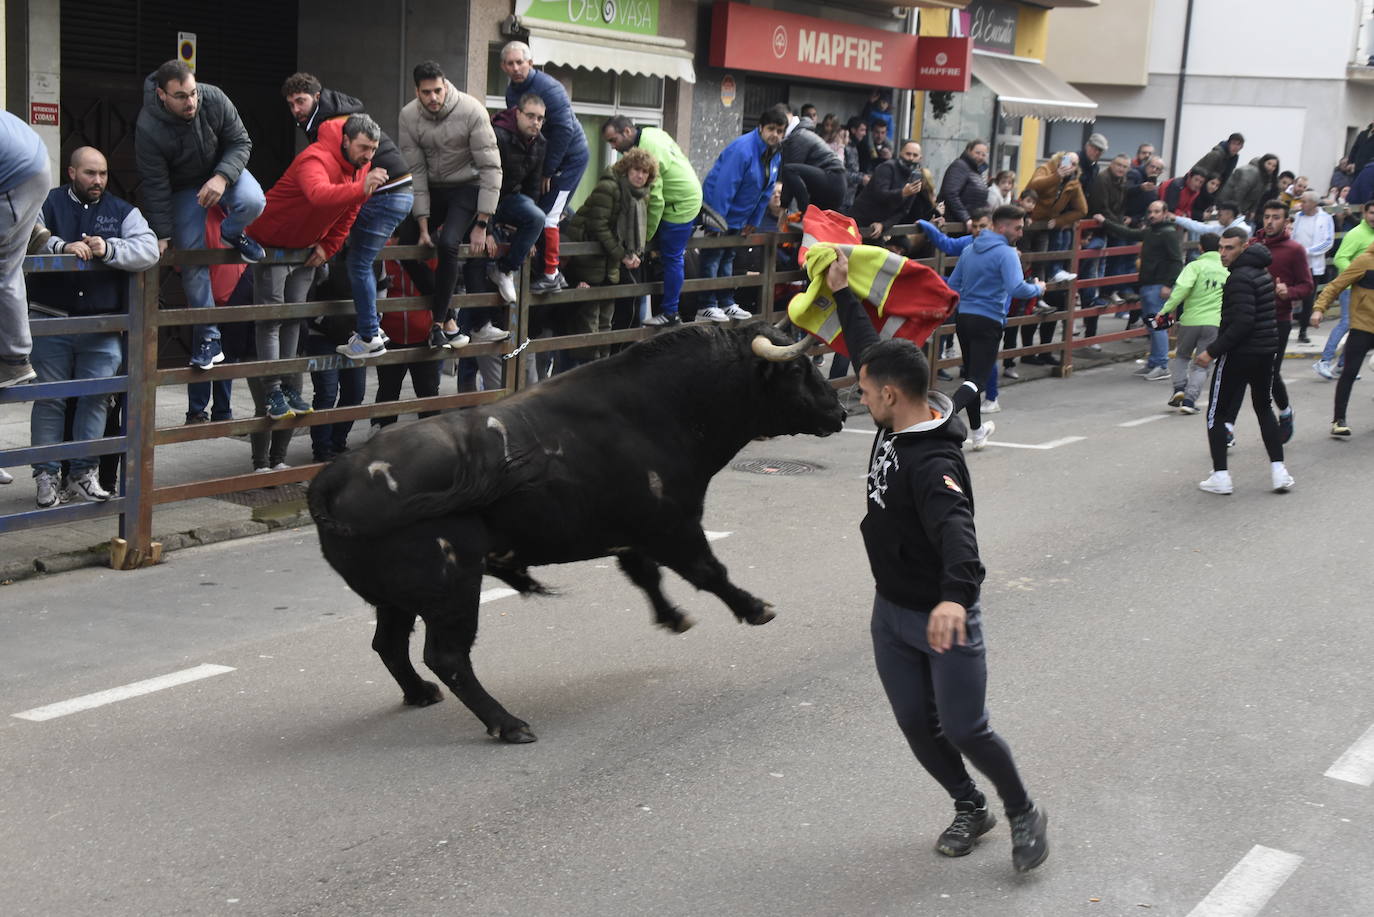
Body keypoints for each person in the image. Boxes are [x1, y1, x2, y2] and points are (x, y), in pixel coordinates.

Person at [820, 246, 1049, 873]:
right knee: (918, 726)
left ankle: (1023, 808)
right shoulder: (903, 410)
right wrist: (844, 292)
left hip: (942, 618)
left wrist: (954, 597)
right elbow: (870, 347)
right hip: (890, 612)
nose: (860, 396)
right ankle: (970, 805)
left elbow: (960, 541)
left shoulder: (934, 464)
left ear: (890, 396)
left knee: (966, 728)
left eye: (864, 392)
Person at [243, 114, 383, 470]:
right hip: (272, 245)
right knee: (271, 321)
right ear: (347, 141)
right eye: (364, 148)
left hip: (304, 249)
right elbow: (319, 195)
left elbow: (348, 213)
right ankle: (273, 386)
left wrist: (329, 246)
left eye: (374, 150)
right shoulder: (315, 158)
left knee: (294, 319)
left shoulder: (358, 169)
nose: (369, 156)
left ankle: (287, 385)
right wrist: (362, 188)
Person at [26, 146, 158, 507]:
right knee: (49, 400)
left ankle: (83, 474)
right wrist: (60, 246)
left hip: (102, 324)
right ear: (71, 172)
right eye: (89, 173)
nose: (98, 180)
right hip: (50, 317)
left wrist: (109, 248)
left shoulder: (121, 210)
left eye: (102, 173)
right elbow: (25, 233)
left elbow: (149, 249)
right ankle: (47, 476)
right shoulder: (46, 201)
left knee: (96, 398)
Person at [135, 59, 265, 370]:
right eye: (181, 96)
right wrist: (162, 233)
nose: (191, 101)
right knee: (191, 256)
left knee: (254, 201)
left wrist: (221, 176)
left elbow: (240, 142)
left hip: (222, 172)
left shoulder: (214, 98)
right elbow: (155, 185)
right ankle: (208, 337)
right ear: (161, 95)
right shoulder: (148, 126)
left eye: (193, 93)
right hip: (184, 189)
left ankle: (233, 233)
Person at [281, 72, 418, 360]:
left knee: (358, 261)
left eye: (301, 101)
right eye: (291, 103)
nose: (296, 109)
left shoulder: (329, 125)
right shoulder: (336, 113)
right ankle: (372, 329)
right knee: (357, 258)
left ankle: (369, 332)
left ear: (317, 98)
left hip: (386, 191)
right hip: (398, 190)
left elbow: (339, 183)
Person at [399, 60, 501, 350]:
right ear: (417, 91)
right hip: (433, 188)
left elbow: (491, 168)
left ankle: (438, 322)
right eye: (426, 92)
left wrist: (482, 224)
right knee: (405, 246)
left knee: (448, 243)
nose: (433, 98)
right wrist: (421, 224)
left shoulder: (471, 110)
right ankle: (449, 319)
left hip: (468, 186)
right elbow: (415, 173)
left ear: (445, 85)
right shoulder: (408, 116)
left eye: (438, 91)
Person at [1196, 227, 1292, 495]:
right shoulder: (1261, 271)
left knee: (1217, 412)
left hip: (1238, 353)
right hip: (1265, 352)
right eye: (1221, 247)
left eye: (1230, 248)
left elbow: (1242, 323)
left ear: (1244, 246)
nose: (1223, 253)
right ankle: (1279, 471)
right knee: (1263, 408)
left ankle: (1221, 476)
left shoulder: (1239, 277)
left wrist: (1211, 351)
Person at [945, 205, 1045, 448]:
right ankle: (942, 417)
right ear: (1001, 227)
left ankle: (977, 432)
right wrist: (1038, 288)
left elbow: (955, 284)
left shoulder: (969, 249)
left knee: (971, 379)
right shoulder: (1007, 253)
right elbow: (1016, 288)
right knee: (977, 380)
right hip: (988, 320)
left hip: (965, 318)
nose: (1021, 232)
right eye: (1018, 227)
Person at [501, 41, 590, 293]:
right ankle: (548, 269)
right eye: (511, 63)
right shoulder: (512, 92)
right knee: (538, 209)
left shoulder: (550, 89)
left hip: (570, 158)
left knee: (549, 214)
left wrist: (547, 170)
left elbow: (564, 130)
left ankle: (551, 273)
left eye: (521, 62)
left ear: (530, 63)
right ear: (503, 66)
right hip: (541, 159)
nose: (516, 67)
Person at [601, 117, 702, 327]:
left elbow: (656, 200)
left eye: (613, 140)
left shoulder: (648, 152)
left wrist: (644, 238)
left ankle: (670, 312)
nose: (613, 146)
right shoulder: (651, 132)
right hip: (688, 192)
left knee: (672, 256)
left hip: (680, 203)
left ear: (627, 131)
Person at [562, 147, 656, 364]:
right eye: (636, 170)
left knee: (606, 318)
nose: (640, 176)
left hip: (608, 263)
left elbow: (628, 233)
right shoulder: (609, 187)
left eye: (645, 172)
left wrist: (631, 253)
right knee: (589, 318)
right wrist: (622, 255)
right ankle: (587, 370)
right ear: (626, 169)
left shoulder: (639, 196)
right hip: (588, 260)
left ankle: (601, 365)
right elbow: (598, 226)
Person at [695, 106, 784, 323]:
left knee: (728, 258)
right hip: (720, 214)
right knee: (713, 258)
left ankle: (725, 302)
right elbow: (723, 186)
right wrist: (716, 223)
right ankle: (706, 305)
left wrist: (753, 221)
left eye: (780, 131)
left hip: (738, 218)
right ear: (760, 128)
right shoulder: (743, 149)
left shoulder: (774, 154)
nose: (776, 135)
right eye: (771, 129)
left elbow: (766, 191)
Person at [1095, 199, 1183, 380]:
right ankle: (1154, 363)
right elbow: (1128, 232)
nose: (1152, 215)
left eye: (1157, 211)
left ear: (1165, 213)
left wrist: (1168, 284)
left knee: (1158, 326)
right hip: (1148, 284)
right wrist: (1105, 222)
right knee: (1153, 326)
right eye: (1150, 211)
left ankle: (1161, 365)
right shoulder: (1152, 231)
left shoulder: (1167, 233)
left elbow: (1176, 260)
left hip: (1157, 285)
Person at [1252, 200, 1313, 442]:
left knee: (1269, 372)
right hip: (1250, 317)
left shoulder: (1295, 250)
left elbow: (1307, 285)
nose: (1269, 221)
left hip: (1278, 318)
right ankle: (1225, 428)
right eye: (1267, 216)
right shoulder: (1253, 245)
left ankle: (1285, 412)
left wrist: (1290, 292)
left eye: (1276, 217)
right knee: (1239, 372)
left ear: (1287, 221)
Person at [0, 111, 51, 391]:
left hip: (15, 176)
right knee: (10, 241)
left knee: (3, 267)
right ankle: (31, 228)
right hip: (33, 161)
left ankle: (14, 359)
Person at [487, 93, 550, 316]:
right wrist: (486, 229)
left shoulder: (540, 143)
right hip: (481, 202)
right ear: (517, 113)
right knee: (479, 267)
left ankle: (505, 270)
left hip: (508, 200)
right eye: (530, 116)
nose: (536, 122)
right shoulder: (498, 135)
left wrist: (528, 234)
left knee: (537, 217)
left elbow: (532, 187)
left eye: (540, 118)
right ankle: (475, 329)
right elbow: (483, 182)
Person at [1155, 232, 1227, 414]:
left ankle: (1179, 389)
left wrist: (1164, 311)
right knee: (1203, 363)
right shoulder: (1227, 269)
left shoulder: (1194, 266)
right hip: (1214, 322)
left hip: (1190, 320)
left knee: (1182, 355)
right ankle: (1189, 400)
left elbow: (1181, 290)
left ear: (1200, 248)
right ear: (1220, 248)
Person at [1311, 240, 1374, 437]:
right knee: (1349, 372)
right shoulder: (1364, 261)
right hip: (1362, 326)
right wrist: (1319, 309)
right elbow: (1335, 286)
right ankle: (1339, 420)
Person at [1314, 198, 1374, 379]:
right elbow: (1340, 257)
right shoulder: (1356, 234)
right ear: (1364, 213)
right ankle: (1324, 360)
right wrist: (1356, 275)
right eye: (1372, 213)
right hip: (1350, 287)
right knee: (1347, 324)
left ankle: (1343, 365)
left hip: (1367, 291)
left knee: (1358, 330)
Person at [850, 142, 935, 244]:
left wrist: (884, 225)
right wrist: (902, 193)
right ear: (900, 154)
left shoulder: (915, 176)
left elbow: (904, 211)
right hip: (859, 221)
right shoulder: (887, 168)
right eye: (908, 154)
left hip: (878, 227)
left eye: (915, 155)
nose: (911, 158)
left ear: (920, 158)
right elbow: (879, 195)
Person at [778, 107, 846, 218]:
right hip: (828, 184)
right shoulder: (796, 136)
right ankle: (805, 214)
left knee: (789, 170)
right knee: (816, 224)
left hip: (832, 178)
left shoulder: (799, 136)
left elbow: (789, 173)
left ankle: (804, 213)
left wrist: (783, 206)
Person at [1289, 190, 1334, 342]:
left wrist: (1307, 251)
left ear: (1314, 203)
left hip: (1312, 265)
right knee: (1290, 295)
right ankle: (1286, 326)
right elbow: (1293, 237)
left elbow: (1328, 242)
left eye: (1305, 201)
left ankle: (1303, 331)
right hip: (1296, 264)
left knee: (1308, 299)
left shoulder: (1325, 218)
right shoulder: (1298, 217)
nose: (1302, 204)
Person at [938, 139, 990, 226]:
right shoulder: (960, 166)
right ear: (968, 151)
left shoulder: (977, 172)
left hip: (972, 223)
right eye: (977, 153)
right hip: (958, 224)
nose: (980, 157)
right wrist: (966, 218)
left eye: (983, 155)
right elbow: (950, 193)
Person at [1220, 154, 1280, 223]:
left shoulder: (1266, 178)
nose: (1270, 167)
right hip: (1227, 204)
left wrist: (1253, 210)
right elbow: (1239, 193)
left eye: (1274, 166)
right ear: (1263, 162)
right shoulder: (1252, 172)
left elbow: (1258, 196)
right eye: (1269, 164)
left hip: (1241, 209)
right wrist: (1237, 211)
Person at [1077, 131, 1108, 196]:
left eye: (1100, 150)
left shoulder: (1095, 168)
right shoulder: (1072, 159)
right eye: (1094, 148)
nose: (1097, 153)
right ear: (1087, 146)